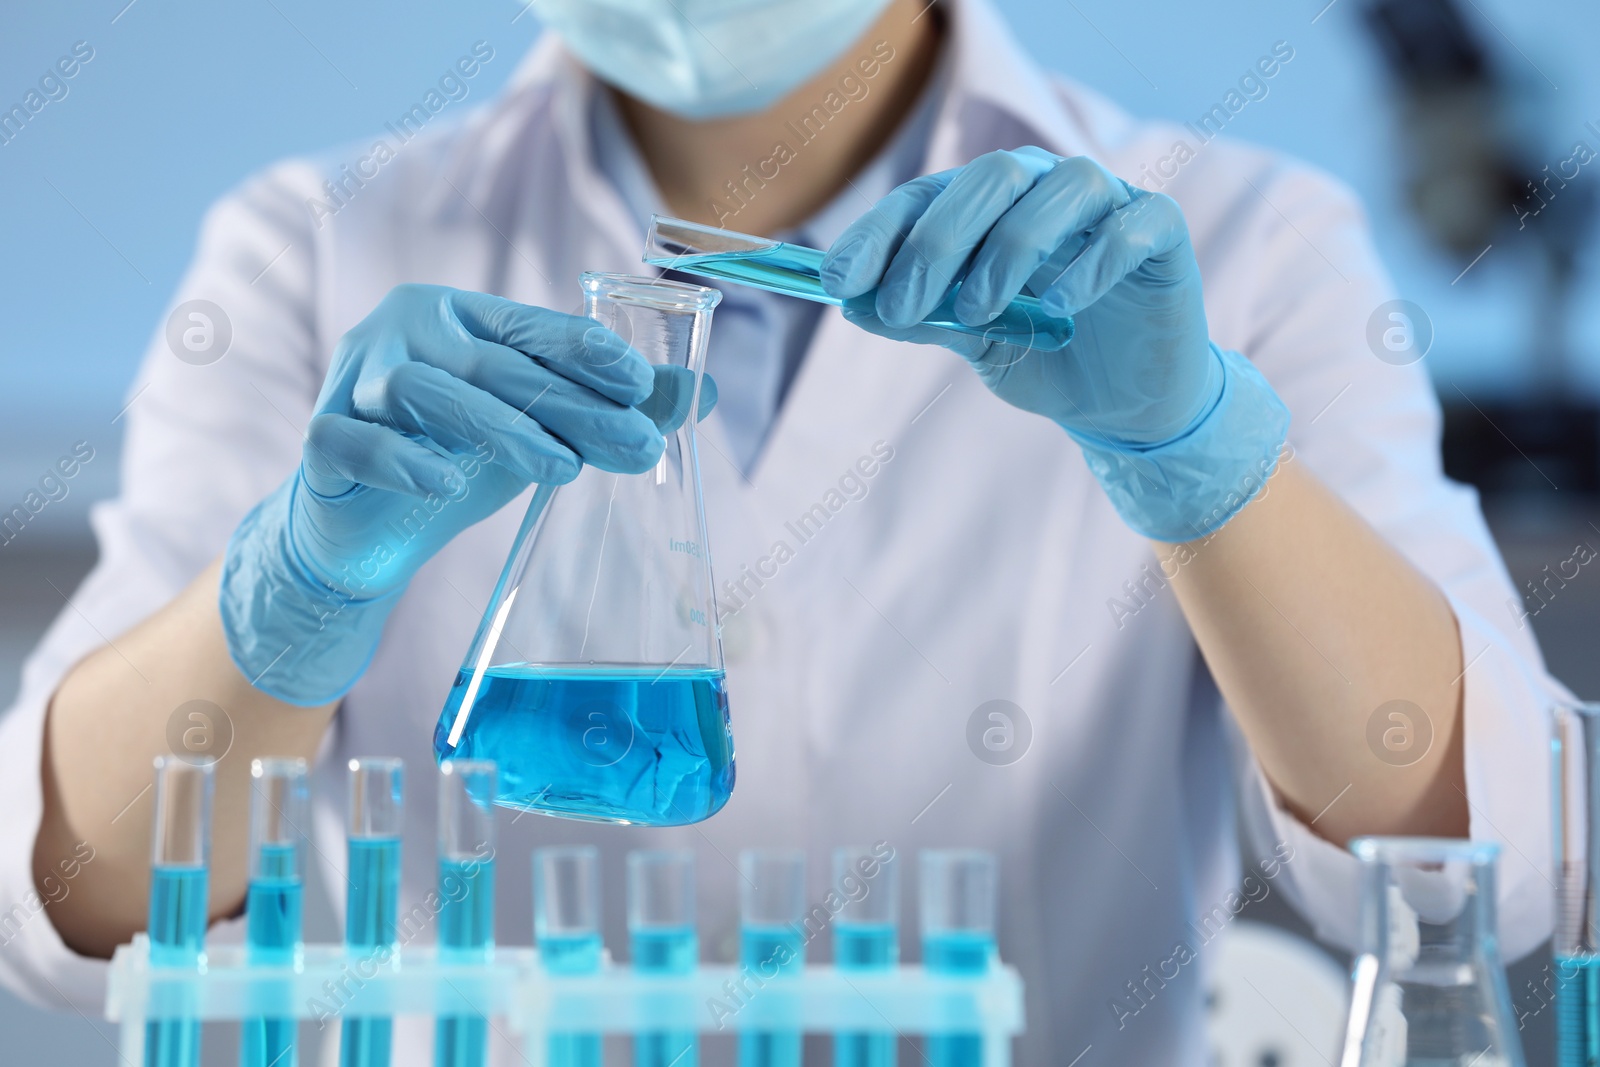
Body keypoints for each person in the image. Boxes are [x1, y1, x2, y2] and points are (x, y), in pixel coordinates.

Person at [0, 0, 1557, 1061]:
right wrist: (299, 586)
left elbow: (1491, 872)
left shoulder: (1239, 244)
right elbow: (74, 904)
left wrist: (1190, 443)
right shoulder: (316, 247)